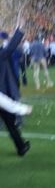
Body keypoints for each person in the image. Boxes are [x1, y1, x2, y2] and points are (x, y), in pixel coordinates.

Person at [0, 14, 30, 156]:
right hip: (2, 96)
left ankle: (21, 146)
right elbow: (11, 47)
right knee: (10, 123)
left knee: (10, 123)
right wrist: (20, 29)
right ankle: (21, 147)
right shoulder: (1, 55)